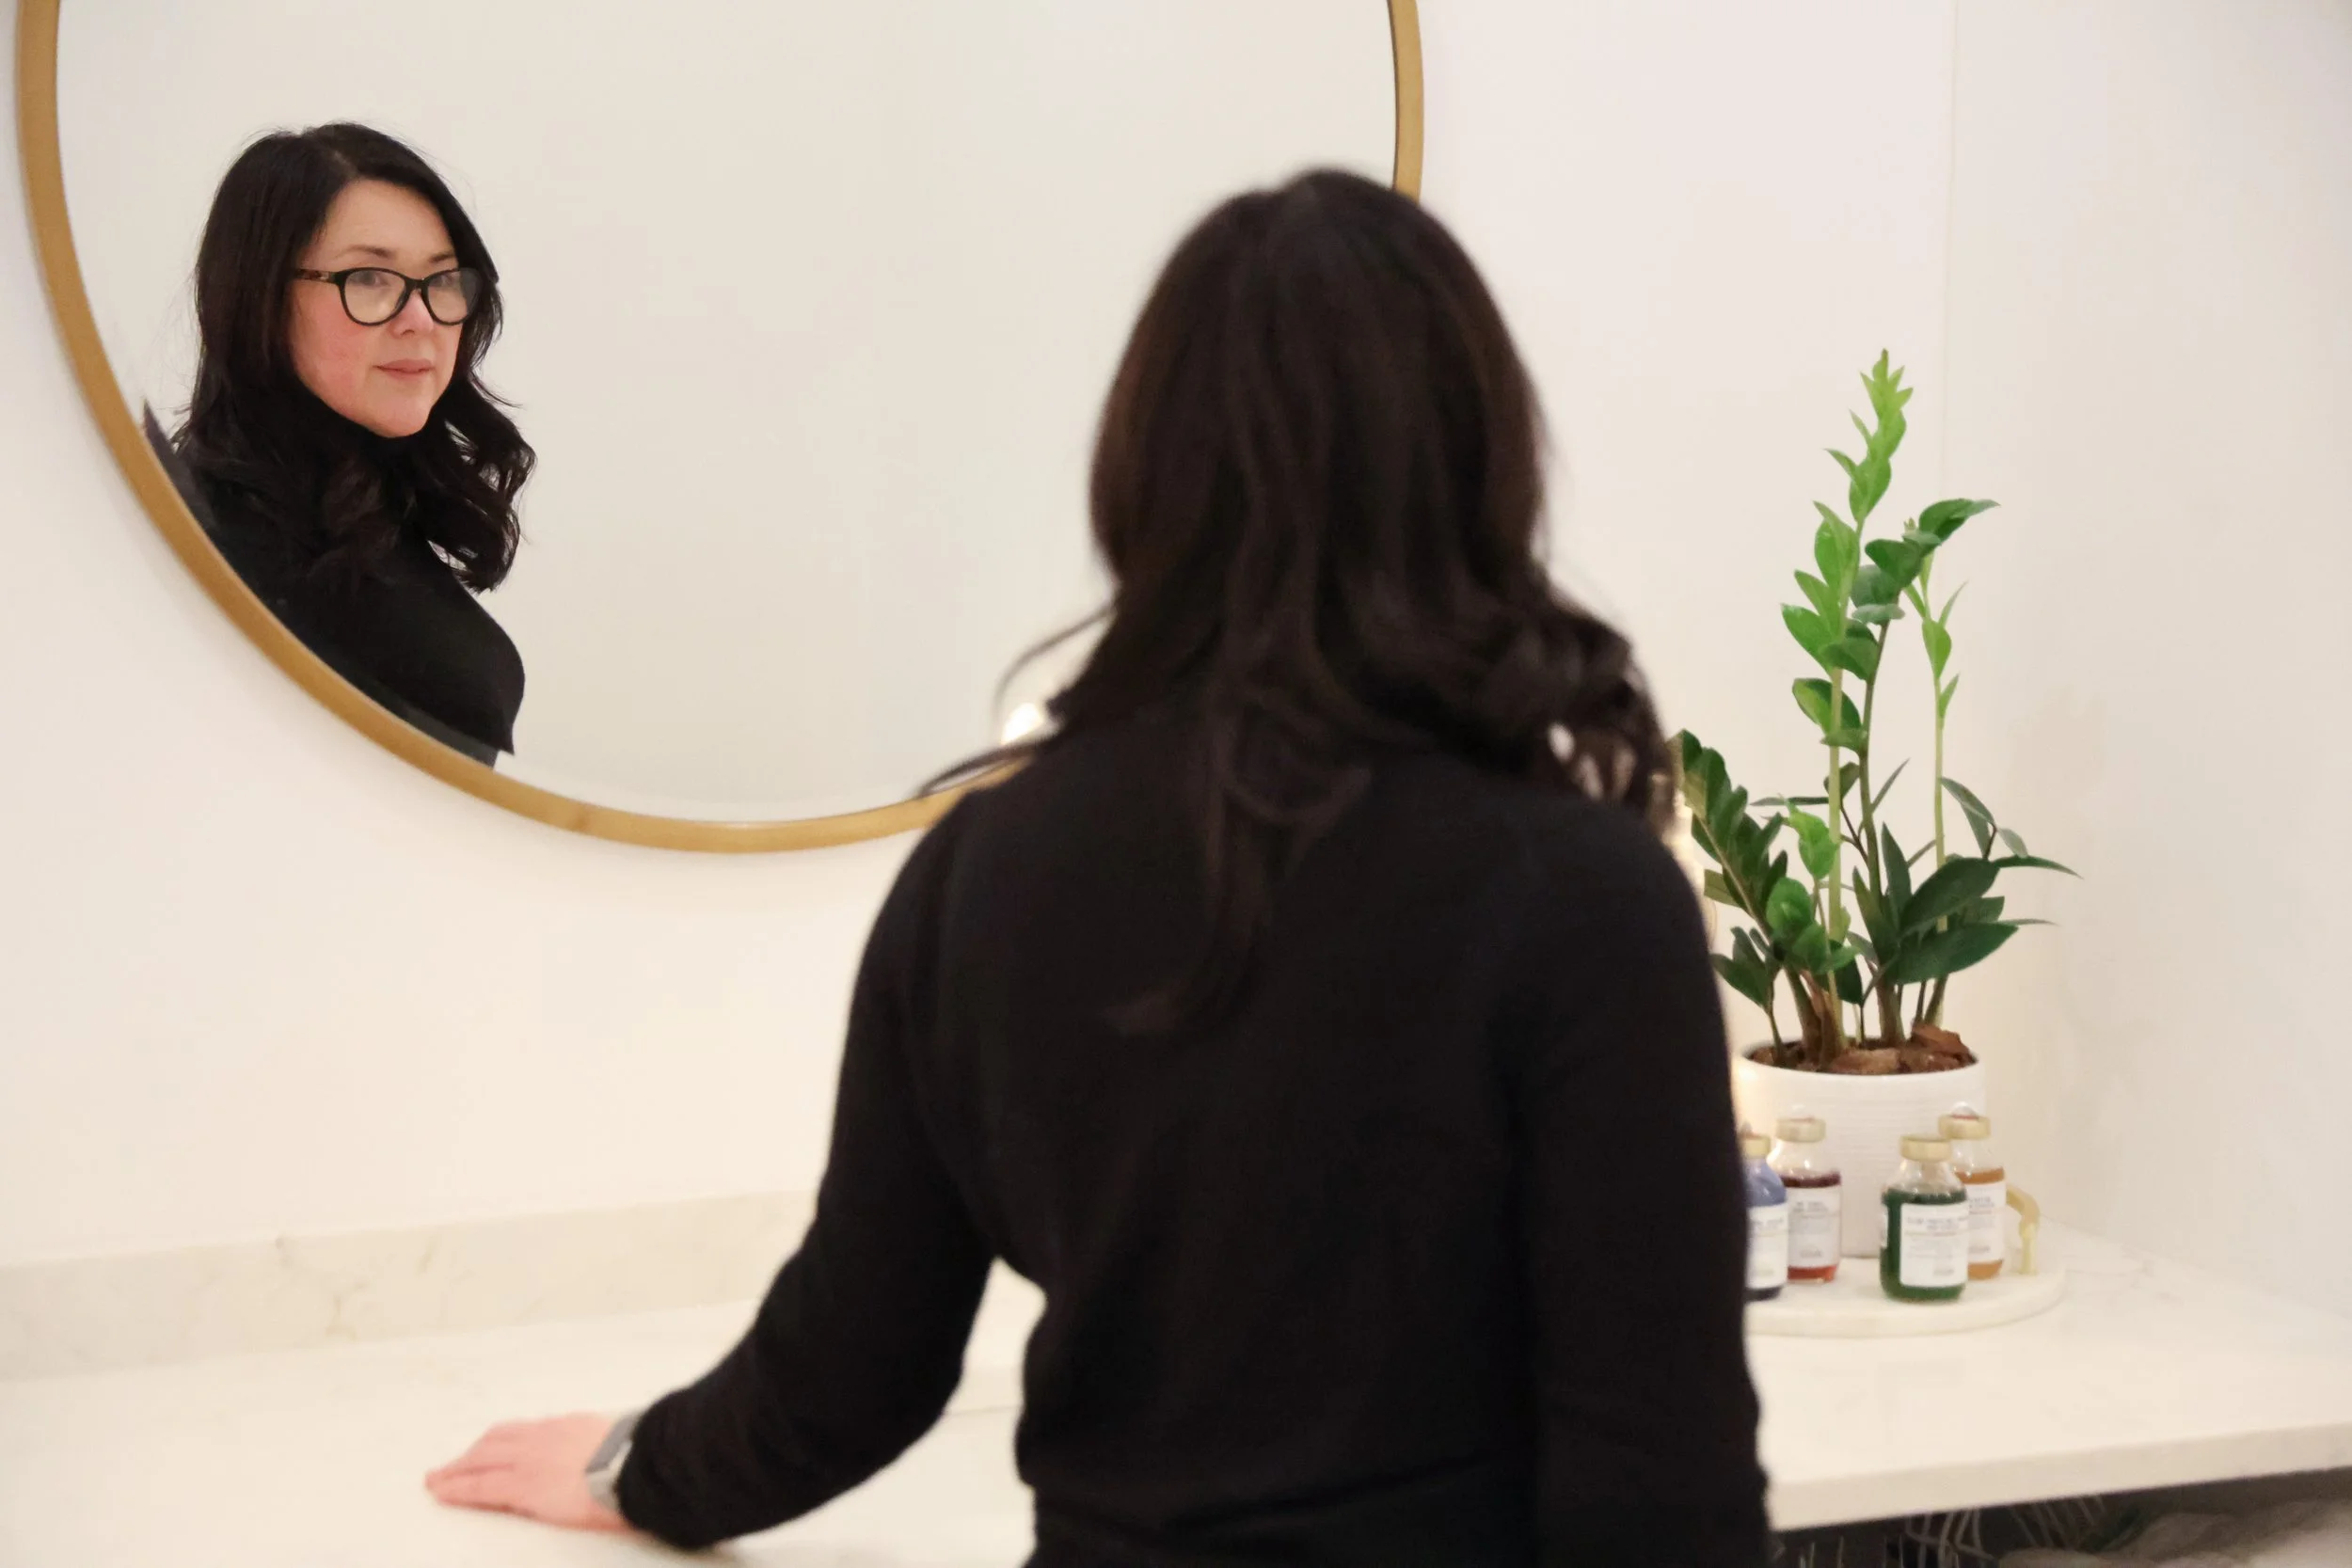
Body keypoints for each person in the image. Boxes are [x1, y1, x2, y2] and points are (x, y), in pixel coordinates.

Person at [426, 170, 1768, 1565]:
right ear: (1481, 457)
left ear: (1146, 470)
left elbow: (846, 1370)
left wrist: (633, 1465)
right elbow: (1660, 1489)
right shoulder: (1582, 896)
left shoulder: (983, 871)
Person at [157, 122, 532, 765]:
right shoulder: (216, 539)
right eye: (370, 278)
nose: (421, 319)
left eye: (443, 280)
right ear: (260, 298)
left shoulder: (366, 503)